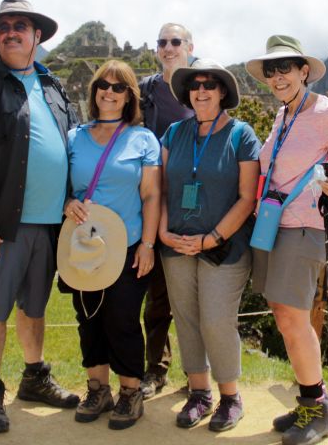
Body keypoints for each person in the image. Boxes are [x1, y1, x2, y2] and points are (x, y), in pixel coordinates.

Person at [0, 0, 81, 434]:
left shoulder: (54, 88)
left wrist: (68, 198)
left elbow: (70, 150)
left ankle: (34, 377)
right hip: (2, 226)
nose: (11, 32)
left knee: (34, 306)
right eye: (3, 26)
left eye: (20, 25)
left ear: (37, 36)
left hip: (49, 223)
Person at [245, 35, 328, 445]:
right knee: (285, 316)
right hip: (276, 225)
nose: (277, 76)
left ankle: (318, 409)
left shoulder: (326, 112)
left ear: (304, 71)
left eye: (285, 67)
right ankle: (309, 400)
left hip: (308, 226)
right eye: (271, 70)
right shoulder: (284, 115)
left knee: (293, 317)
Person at [158, 59, 260, 432]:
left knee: (216, 320)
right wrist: (163, 233)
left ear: (222, 93)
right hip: (177, 244)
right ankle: (199, 394)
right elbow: (162, 189)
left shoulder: (241, 135)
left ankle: (230, 396)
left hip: (224, 247)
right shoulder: (173, 133)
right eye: (195, 85)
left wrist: (212, 237)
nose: (201, 90)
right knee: (186, 319)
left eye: (210, 85)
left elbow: (247, 197)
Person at [62, 60, 161, 429]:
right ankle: (97, 388)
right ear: (94, 90)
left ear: (129, 96)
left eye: (119, 87)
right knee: (88, 318)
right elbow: (65, 188)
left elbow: (151, 196)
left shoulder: (143, 139)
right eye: (104, 84)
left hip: (128, 244)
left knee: (122, 318)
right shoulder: (75, 137)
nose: (110, 91)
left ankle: (130, 391)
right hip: (83, 243)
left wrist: (148, 245)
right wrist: (67, 203)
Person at [137, 22, 194, 398]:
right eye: (162, 42)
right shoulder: (146, 90)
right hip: (151, 201)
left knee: (194, 296)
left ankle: (199, 373)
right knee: (157, 298)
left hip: (192, 204)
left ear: (190, 46)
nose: (168, 47)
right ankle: (155, 369)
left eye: (176, 41)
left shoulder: (201, 85)